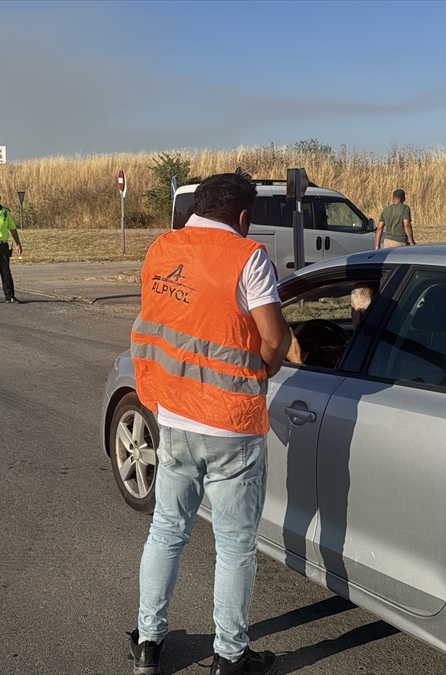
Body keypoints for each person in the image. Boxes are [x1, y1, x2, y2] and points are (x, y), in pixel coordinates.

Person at [128, 173, 290, 675]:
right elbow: (276, 339)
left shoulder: (161, 248)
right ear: (243, 216)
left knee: (167, 530)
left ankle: (149, 642)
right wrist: (264, 367)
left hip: (172, 414)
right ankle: (229, 655)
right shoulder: (248, 257)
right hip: (231, 427)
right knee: (235, 545)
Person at [285, 282, 377, 365]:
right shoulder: (381, 348)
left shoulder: (362, 358)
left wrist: (296, 360)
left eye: (352, 309)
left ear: (358, 316)